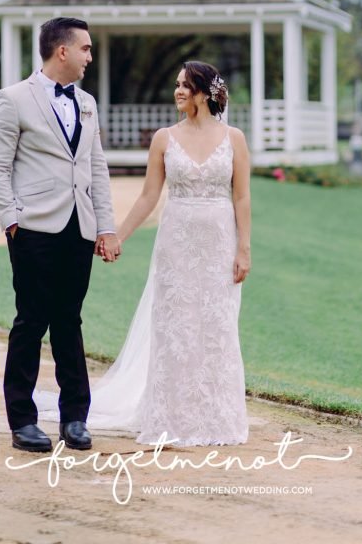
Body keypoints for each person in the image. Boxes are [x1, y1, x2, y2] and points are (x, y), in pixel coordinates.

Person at [88, 60, 252, 446]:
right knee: (176, 327)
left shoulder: (234, 139)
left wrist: (244, 248)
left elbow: (242, 196)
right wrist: (117, 235)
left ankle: (215, 417)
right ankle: (172, 416)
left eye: (184, 85)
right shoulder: (164, 138)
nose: (178, 91)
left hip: (219, 244)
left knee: (216, 327)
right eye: (176, 84)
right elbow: (149, 196)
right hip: (175, 244)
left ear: (204, 92)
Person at [0, 16, 121, 454]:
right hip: (33, 229)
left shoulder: (87, 103)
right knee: (31, 321)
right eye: (85, 48)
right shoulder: (13, 99)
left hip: (78, 228)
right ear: (62, 50)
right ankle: (22, 421)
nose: (89, 57)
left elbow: (95, 166)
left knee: (69, 321)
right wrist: (11, 220)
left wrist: (105, 224)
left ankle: (75, 418)